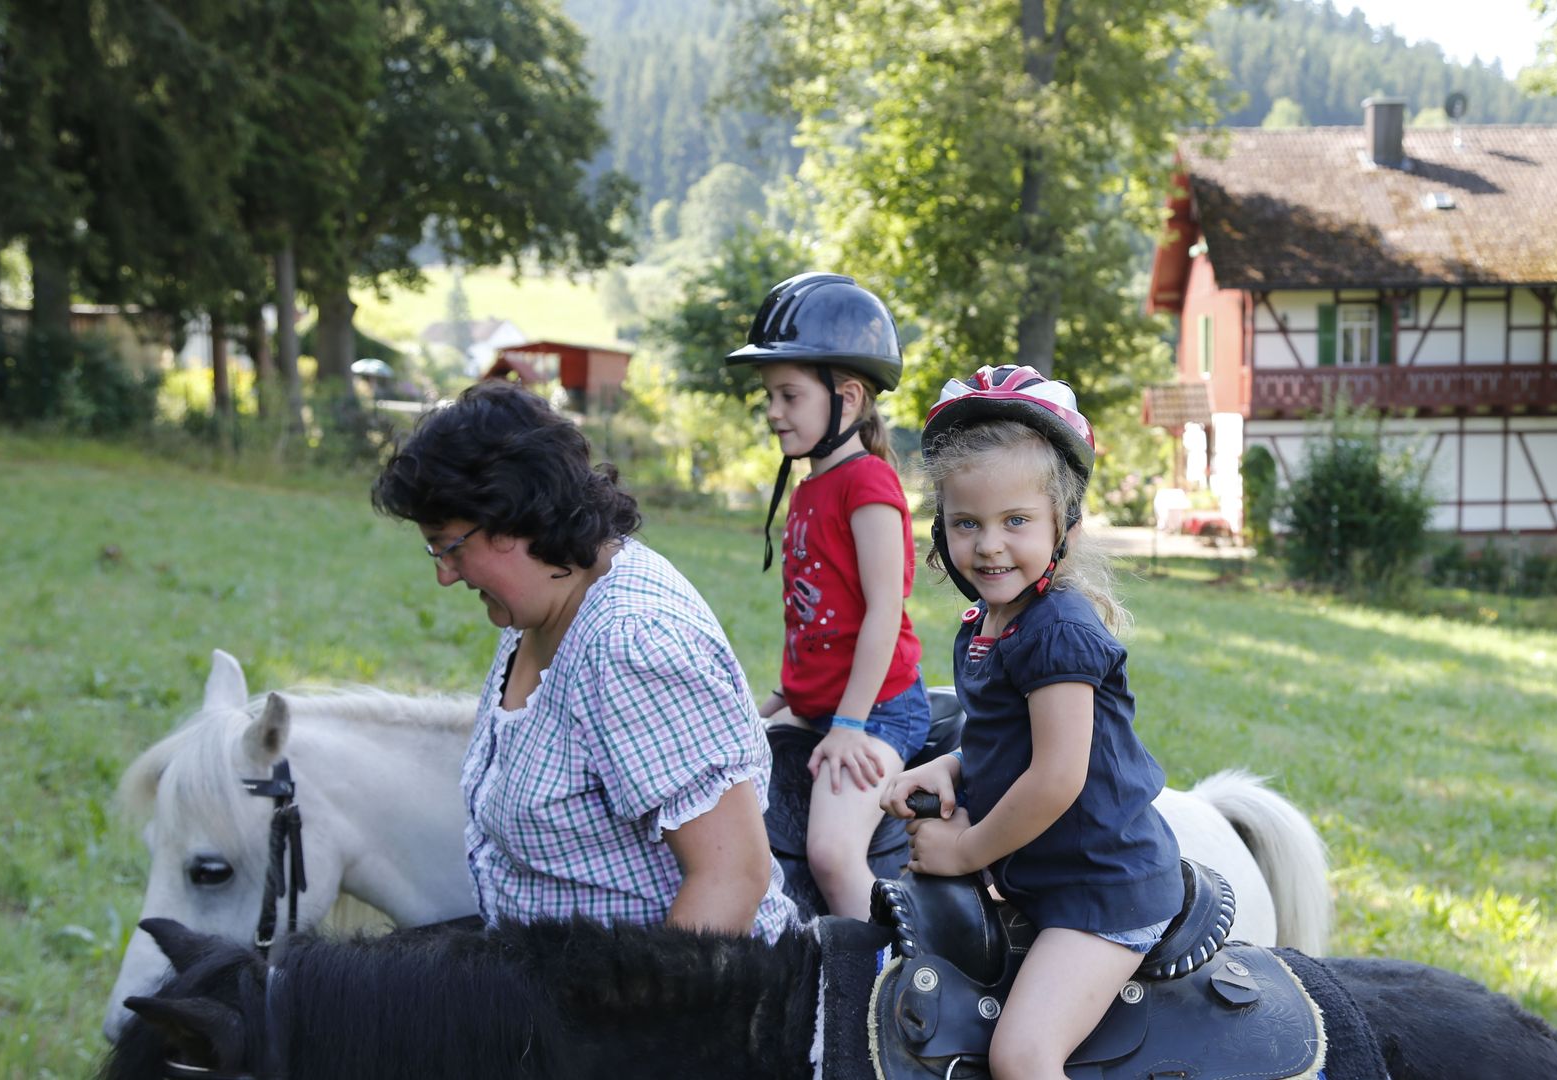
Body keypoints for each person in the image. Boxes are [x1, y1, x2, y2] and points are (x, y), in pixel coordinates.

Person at [371, 380, 795, 941]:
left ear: (514, 517)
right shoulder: (543, 603)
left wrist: (640, 996)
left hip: (658, 988)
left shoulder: (630, 644)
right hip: (547, 977)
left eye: (449, 547)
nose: (444, 574)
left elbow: (731, 879)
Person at [880, 365, 1183, 1080]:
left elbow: (1056, 777)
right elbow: (1009, 742)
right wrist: (950, 765)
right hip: (1046, 876)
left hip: (1102, 890)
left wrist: (966, 851)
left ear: (1063, 525)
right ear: (942, 528)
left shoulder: (1058, 633)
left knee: (1021, 1056)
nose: (989, 545)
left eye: (1016, 521)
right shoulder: (986, 624)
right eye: (968, 523)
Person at [726, 271, 931, 918]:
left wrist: (848, 725)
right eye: (770, 396)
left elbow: (883, 611)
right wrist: (782, 696)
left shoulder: (868, 485)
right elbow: (815, 615)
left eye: (789, 395)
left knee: (832, 854)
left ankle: (888, 966)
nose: (773, 411)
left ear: (847, 398)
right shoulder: (810, 487)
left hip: (877, 710)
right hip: (817, 704)